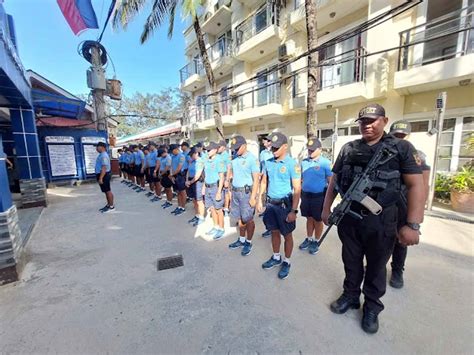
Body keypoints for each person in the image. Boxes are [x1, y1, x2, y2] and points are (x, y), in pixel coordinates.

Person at [321, 104, 425, 334]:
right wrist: (326, 208)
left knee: (377, 266)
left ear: (384, 120)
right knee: (351, 261)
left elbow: (417, 184)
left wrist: (413, 224)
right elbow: (335, 180)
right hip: (349, 218)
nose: (367, 125)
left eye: (372, 120)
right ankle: (350, 295)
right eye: (362, 121)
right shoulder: (348, 148)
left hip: (382, 220)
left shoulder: (401, 148)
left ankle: (372, 307)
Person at [389, 120, 431, 289]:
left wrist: (416, 219)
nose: (400, 138)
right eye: (396, 135)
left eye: (403, 135)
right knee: (381, 240)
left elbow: (424, 186)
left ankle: (397, 270)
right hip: (386, 204)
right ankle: (375, 266)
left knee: (401, 240)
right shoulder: (383, 153)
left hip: (406, 205)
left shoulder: (417, 156)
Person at [257, 132, 301, 280]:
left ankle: (287, 261)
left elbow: (297, 189)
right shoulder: (268, 162)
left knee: (287, 235)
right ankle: (276, 257)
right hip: (270, 205)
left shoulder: (291, 164)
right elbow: (263, 182)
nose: (273, 150)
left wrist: (294, 211)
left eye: (276, 148)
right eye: (272, 148)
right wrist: (259, 199)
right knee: (274, 232)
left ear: (285, 147)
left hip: (285, 206)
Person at [227, 136, 260, 256]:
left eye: (237, 148)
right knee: (240, 218)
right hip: (235, 192)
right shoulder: (234, 158)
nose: (235, 150)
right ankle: (241, 239)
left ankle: (248, 242)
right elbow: (232, 174)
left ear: (244, 146)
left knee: (248, 219)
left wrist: (253, 197)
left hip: (246, 193)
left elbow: (256, 179)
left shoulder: (252, 159)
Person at [299, 137, 332, 255]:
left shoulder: (325, 163)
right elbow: (301, 179)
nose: (310, 152)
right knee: (309, 218)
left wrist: (328, 202)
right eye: (309, 150)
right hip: (306, 196)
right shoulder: (304, 162)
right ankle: (309, 238)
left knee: (318, 220)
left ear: (320, 149)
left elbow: (331, 183)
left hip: (319, 197)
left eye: (312, 150)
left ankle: (316, 241)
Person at [199, 141, 226, 240]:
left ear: (215, 150)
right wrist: (203, 187)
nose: (207, 152)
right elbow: (206, 175)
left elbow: (222, 177)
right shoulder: (207, 160)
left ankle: (221, 229)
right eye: (206, 150)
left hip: (216, 187)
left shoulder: (219, 160)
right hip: (208, 187)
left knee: (219, 209)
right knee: (212, 208)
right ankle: (215, 227)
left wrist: (219, 192)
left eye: (209, 150)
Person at [185, 147, 206, 226]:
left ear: (196, 153)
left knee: (199, 200)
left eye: (192, 154)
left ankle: (201, 217)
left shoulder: (200, 161)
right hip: (191, 181)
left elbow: (197, 175)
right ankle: (197, 215)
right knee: (194, 199)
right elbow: (188, 171)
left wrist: (190, 182)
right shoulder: (192, 161)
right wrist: (187, 180)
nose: (190, 156)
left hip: (198, 182)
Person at [259, 136, 274, 238]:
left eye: (265, 142)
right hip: (265, 176)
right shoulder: (263, 153)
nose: (264, 143)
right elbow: (262, 165)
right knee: (266, 195)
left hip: (274, 177)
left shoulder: (275, 151)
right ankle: (269, 227)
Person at [95, 142, 114, 213]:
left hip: (104, 175)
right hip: (102, 175)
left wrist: (101, 178)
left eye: (97, 147)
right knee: (106, 191)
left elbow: (104, 168)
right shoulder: (101, 155)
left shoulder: (104, 156)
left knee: (108, 191)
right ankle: (108, 204)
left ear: (102, 147)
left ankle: (111, 206)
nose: (96, 148)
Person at [169, 144, 187, 215]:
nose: (172, 152)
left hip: (180, 176)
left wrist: (172, 175)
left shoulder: (181, 156)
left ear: (176, 149)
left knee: (182, 192)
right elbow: (171, 167)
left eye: (172, 151)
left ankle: (183, 207)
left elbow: (179, 168)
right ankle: (179, 206)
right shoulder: (173, 157)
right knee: (178, 192)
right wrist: (172, 176)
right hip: (174, 175)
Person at [217, 140, 232, 216]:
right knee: (220, 192)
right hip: (218, 176)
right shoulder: (218, 155)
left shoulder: (226, 156)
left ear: (223, 147)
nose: (218, 148)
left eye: (219, 147)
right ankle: (221, 206)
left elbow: (229, 168)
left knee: (226, 192)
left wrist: (227, 180)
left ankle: (226, 208)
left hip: (225, 175)